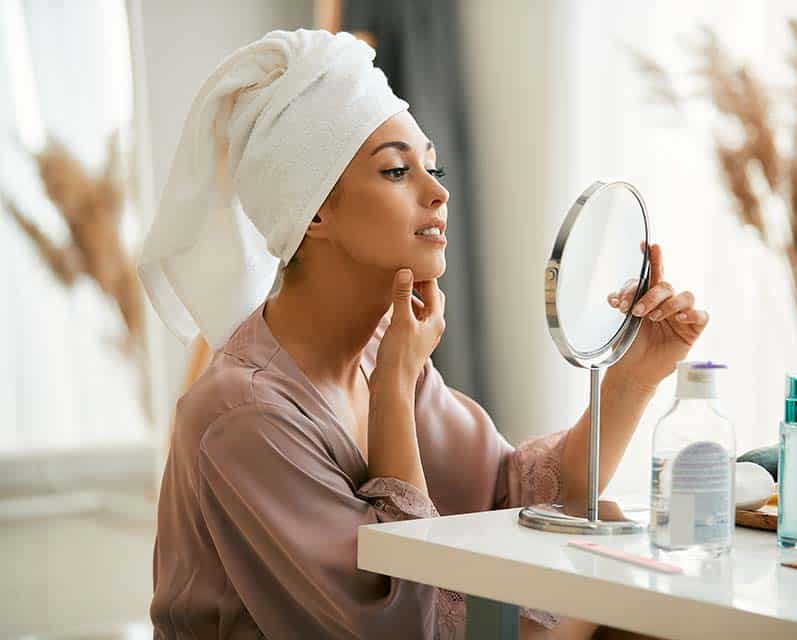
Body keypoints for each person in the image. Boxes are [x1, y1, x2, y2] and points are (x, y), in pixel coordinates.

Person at [139, 29, 708, 640]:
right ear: (314, 209)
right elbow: (401, 628)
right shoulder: (244, 416)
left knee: (630, 580)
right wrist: (392, 388)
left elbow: (515, 497)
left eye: (432, 167)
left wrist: (634, 377)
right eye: (395, 171)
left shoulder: (380, 351)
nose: (438, 192)